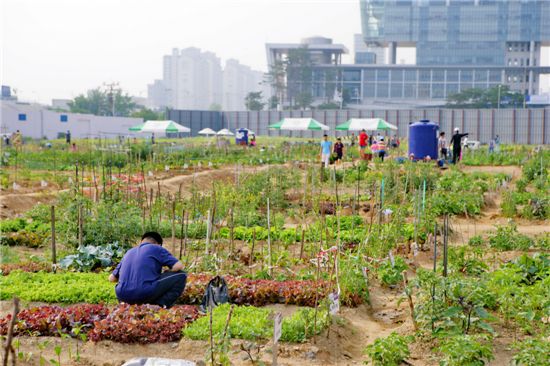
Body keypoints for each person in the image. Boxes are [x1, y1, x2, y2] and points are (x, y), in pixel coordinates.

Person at [109, 232, 187, 308]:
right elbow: (178, 266)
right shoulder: (156, 248)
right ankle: (160, 306)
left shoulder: (129, 252)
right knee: (181, 275)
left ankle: (129, 306)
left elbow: (112, 278)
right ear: (158, 244)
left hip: (122, 296)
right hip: (144, 293)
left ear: (141, 241)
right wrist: (166, 272)